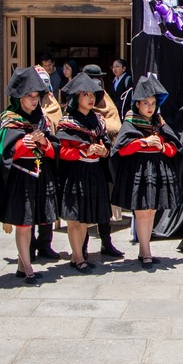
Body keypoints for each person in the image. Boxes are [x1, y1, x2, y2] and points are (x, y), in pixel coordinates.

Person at [0, 67, 59, 284]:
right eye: (29, 97)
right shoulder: (10, 119)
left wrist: (43, 142)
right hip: (20, 177)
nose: (33, 101)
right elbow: (4, 152)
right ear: (19, 97)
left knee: (31, 222)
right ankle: (28, 268)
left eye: (36, 97)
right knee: (23, 224)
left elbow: (53, 149)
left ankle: (23, 267)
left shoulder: (42, 120)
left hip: (40, 175)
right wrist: (24, 144)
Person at [111, 75, 180, 269]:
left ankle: (144, 250)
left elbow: (174, 147)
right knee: (141, 212)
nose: (150, 107)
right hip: (138, 169)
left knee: (151, 211)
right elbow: (120, 149)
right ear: (137, 104)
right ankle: (147, 251)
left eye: (152, 103)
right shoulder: (130, 122)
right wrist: (143, 142)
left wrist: (162, 147)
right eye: (145, 103)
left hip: (156, 168)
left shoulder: (159, 122)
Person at [56, 73, 113, 273]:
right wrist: (83, 151)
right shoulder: (67, 121)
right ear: (76, 98)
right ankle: (78, 257)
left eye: (92, 94)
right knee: (75, 219)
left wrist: (104, 151)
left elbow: (106, 143)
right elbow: (61, 151)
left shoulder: (98, 120)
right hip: (76, 172)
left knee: (86, 219)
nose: (90, 98)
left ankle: (77, 255)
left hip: (94, 170)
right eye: (85, 94)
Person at [80, 64, 124, 258]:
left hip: (103, 161)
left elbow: (115, 123)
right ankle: (81, 248)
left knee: (103, 203)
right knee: (84, 206)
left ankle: (106, 242)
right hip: (82, 164)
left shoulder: (104, 99)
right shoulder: (78, 104)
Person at [27, 65, 63, 261]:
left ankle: (45, 243)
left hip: (47, 160)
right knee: (29, 205)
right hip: (27, 164)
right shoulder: (22, 108)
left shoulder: (52, 104)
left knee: (47, 203)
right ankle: (29, 246)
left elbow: (57, 124)